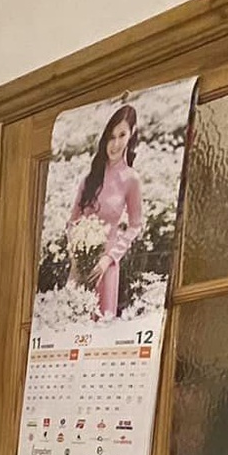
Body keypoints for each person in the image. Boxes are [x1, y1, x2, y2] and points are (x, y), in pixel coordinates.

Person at [67, 103, 143, 320]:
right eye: (111, 137)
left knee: (101, 326)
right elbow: (73, 221)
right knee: (73, 322)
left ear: (131, 135)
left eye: (121, 135)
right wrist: (76, 257)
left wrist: (109, 258)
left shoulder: (131, 179)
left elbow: (135, 225)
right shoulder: (89, 179)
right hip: (80, 263)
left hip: (106, 266)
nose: (115, 143)